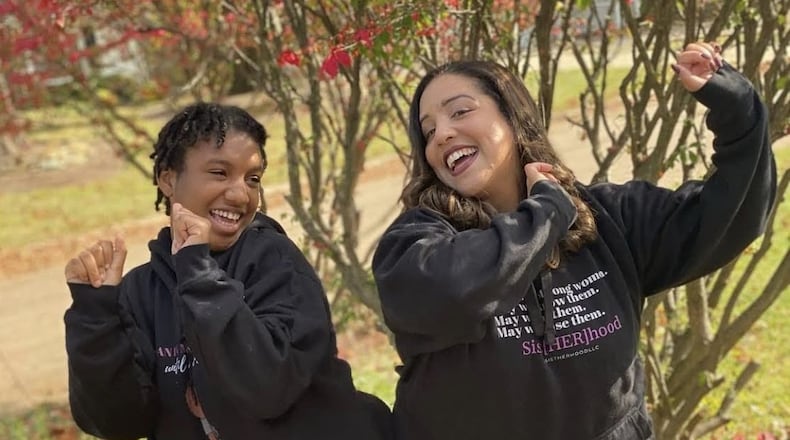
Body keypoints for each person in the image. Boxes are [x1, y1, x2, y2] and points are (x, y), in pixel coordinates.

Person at [371, 42, 776, 440]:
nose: (441, 133)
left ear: (513, 117)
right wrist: (545, 214)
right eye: (428, 130)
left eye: (460, 111)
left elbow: (730, 216)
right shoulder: (417, 244)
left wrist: (737, 109)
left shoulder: (609, 219)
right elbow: (453, 292)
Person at [64, 103, 392, 440]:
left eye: (253, 179)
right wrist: (96, 315)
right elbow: (117, 424)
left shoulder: (276, 262)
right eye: (219, 173)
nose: (241, 194)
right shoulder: (140, 291)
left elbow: (268, 389)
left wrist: (198, 274)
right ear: (168, 179)